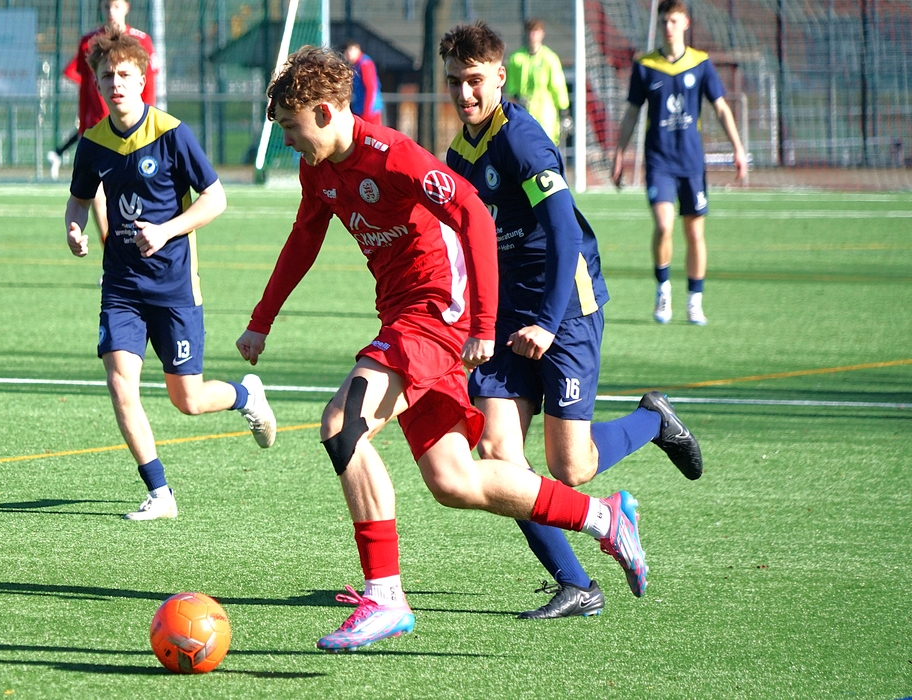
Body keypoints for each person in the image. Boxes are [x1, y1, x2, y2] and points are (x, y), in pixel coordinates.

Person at [236, 46, 647, 653]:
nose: (289, 142)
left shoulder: (393, 155)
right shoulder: (317, 170)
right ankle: (604, 518)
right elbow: (304, 238)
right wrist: (261, 321)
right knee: (455, 480)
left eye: (292, 129)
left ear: (324, 112)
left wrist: (483, 323)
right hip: (404, 315)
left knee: (342, 423)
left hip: (436, 314)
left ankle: (385, 597)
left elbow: (474, 213)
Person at [441, 22, 703, 619]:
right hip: (508, 310)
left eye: (474, 80)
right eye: (454, 81)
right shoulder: (460, 152)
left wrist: (547, 322)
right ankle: (577, 584)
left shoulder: (523, 141)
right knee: (498, 455)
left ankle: (653, 421)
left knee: (572, 466)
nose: (464, 93)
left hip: (564, 304)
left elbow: (563, 231)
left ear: (499, 77)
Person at [64, 32, 276, 521]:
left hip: (174, 286)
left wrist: (166, 230)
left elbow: (216, 199)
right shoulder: (93, 143)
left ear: (142, 80)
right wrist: (74, 228)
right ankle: (160, 492)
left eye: (124, 75)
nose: (115, 83)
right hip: (121, 288)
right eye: (107, 76)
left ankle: (246, 395)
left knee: (188, 399)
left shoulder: (172, 133)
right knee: (120, 383)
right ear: (97, 84)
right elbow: (79, 199)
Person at [611, 0, 747, 326]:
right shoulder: (645, 65)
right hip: (659, 162)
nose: (668, 27)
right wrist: (619, 154)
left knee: (695, 234)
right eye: (663, 21)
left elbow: (721, 108)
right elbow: (632, 113)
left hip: (691, 163)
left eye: (673, 21)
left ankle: (694, 301)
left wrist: (738, 148)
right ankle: (663, 290)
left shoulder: (700, 63)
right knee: (663, 226)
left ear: (686, 23)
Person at [50, 0, 159, 247]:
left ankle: (136, 244)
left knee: (136, 189)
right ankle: (110, 247)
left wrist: (148, 120)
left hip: (132, 130)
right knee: (95, 194)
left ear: (127, 7)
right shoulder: (89, 42)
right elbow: (84, 89)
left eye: (116, 6)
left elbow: (149, 84)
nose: (111, 12)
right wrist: (83, 128)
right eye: (106, 6)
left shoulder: (141, 40)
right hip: (98, 130)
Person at [504, 18, 571, 146]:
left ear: (542, 34)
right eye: (530, 31)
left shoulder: (550, 58)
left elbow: (558, 86)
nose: (533, 35)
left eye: (536, 31)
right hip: (523, 112)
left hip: (545, 114)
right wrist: (517, 97)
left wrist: (564, 110)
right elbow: (511, 85)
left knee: (545, 146)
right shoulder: (516, 58)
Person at [342, 40, 384, 125]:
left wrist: (367, 112)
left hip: (369, 112)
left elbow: (370, 88)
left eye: (350, 50)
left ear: (357, 49)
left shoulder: (364, 64)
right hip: (361, 109)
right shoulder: (357, 65)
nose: (348, 55)